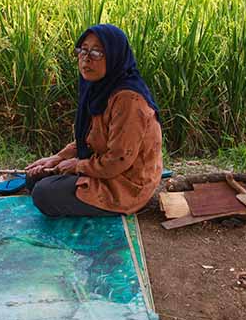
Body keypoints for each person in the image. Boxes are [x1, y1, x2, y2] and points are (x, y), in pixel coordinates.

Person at [26, 24, 163, 217]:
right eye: (83, 50)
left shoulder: (129, 100)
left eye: (97, 52)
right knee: (34, 179)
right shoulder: (99, 88)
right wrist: (58, 158)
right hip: (103, 167)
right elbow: (93, 137)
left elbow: (118, 159)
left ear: (115, 55)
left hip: (125, 182)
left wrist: (77, 165)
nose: (86, 58)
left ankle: (114, 205)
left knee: (43, 193)